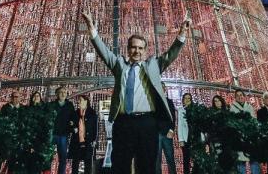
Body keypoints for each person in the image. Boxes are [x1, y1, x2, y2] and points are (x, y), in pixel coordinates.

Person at [80, 11, 190, 174]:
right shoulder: (119, 65)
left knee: (146, 166)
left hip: (147, 123)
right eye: (133, 47)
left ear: (145, 51)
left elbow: (170, 55)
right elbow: (103, 51)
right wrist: (91, 28)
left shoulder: (153, 65)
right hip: (123, 123)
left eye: (140, 48)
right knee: (120, 166)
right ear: (128, 49)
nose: (137, 51)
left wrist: (182, 34)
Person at [229, 90, 259, 174]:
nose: (240, 97)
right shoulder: (232, 108)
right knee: (240, 161)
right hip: (239, 138)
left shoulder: (249, 106)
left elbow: (254, 120)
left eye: (241, 95)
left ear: (244, 96)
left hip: (250, 137)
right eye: (237, 95)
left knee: (253, 159)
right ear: (235, 97)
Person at [69, 94, 98, 174]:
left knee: (88, 163)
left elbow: (95, 128)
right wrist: (73, 129)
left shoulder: (92, 113)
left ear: (86, 101)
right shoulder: (75, 113)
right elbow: (71, 125)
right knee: (75, 163)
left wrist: (94, 140)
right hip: (77, 141)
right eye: (78, 101)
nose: (79, 102)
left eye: (80, 100)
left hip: (88, 141)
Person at [51, 86, 76, 174]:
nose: (63, 94)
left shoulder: (70, 105)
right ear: (57, 94)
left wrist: (71, 125)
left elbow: (73, 117)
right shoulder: (51, 105)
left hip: (63, 135)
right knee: (47, 156)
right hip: (52, 133)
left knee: (63, 158)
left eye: (65, 92)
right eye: (61, 92)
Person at [157, 86, 177, 174]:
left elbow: (173, 117)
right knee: (157, 160)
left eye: (163, 87)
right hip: (156, 134)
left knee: (170, 158)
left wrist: (172, 130)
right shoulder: (153, 101)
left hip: (167, 133)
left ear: (165, 89)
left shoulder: (169, 101)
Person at [177, 93, 195, 174]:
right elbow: (179, 125)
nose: (187, 100)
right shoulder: (181, 110)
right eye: (185, 98)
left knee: (196, 159)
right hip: (185, 137)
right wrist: (180, 139)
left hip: (195, 137)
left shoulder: (196, 109)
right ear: (183, 100)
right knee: (186, 159)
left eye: (189, 98)